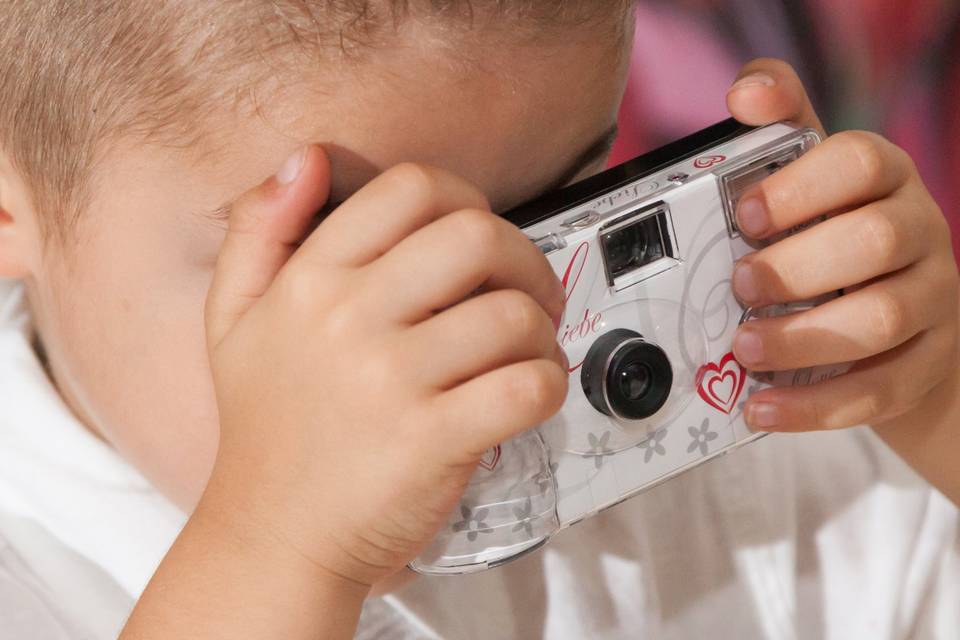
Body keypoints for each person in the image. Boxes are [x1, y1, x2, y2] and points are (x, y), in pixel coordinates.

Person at [0, 1, 957, 638]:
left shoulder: (715, 456)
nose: (494, 337)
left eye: (568, 203)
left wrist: (935, 398)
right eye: (347, 262)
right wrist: (274, 550)